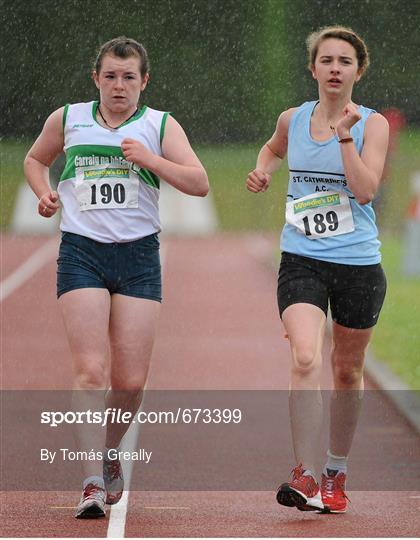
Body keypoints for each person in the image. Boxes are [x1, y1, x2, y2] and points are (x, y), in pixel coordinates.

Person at [24, 36, 209, 518]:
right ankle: (89, 480)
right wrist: (44, 193)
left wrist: (151, 160)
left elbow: (199, 181)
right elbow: (34, 159)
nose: (119, 86)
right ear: (96, 79)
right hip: (81, 252)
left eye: (129, 77)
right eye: (110, 76)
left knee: (129, 382)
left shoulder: (159, 125)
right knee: (90, 371)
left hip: (139, 259)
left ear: (144, 81)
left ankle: (108, 452)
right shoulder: (68, 119)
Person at [246, 26, 388, 513]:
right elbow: (273, 146)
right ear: (313, 69)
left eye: (344, 61)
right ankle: (304, 474)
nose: (334, 68)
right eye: (325, 60)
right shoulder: (293, 118)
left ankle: (335, 470)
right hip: (302, 258)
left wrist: (346, 137)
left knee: (347, 370)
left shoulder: (373, 125)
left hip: (357, 263)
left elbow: (366, 190)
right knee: (306, 357)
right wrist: (263, 167)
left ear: (357, 71)